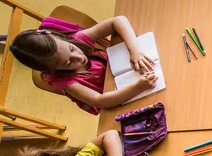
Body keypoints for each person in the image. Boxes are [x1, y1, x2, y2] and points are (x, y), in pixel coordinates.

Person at [9, 15, 157, 115]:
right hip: (118, 100)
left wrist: (134, 50)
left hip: (121, 72)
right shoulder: (66, 82)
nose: (78, 57)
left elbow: (117, 21)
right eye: (68, 62)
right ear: (53, 70)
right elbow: (101, 101)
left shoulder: (76, 40)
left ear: (62, 39)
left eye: (72, 49)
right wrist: (138, 87)